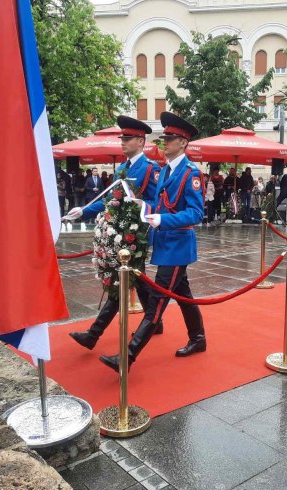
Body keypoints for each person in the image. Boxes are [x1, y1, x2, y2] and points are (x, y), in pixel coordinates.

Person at [99, 112, 207, 372]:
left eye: (169, 139)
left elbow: (196, 213)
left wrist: (162, 219)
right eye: (163, 138)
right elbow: (158, 205)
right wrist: (143, 206)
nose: (163, 143)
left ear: (183, 143)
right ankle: (199, 338)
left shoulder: (191, 172)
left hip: (178, 246)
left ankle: (128, 356)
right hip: (164, 244)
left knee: (157, 301)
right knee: (183, 296)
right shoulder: (168, 170)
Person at [65, 116, 162, 351]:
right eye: (122, 138)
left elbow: (156, 203)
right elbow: (110, 200)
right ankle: (156, 321)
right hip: (119, 232)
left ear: (140, 141)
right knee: (136, 279)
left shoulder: (151, 168)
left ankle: (93, 335)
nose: (123, 142)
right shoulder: (123, 168)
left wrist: (135, 204)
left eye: (127, 139)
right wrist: (84, 211)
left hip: (135, 234)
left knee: (122, 283)